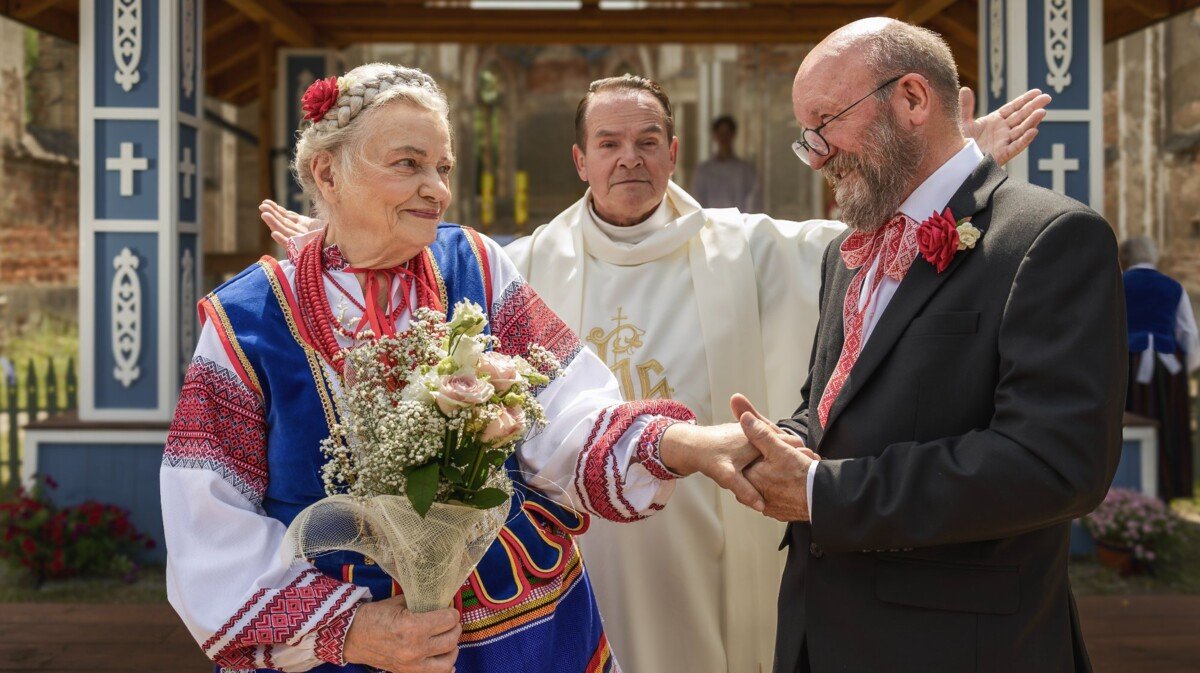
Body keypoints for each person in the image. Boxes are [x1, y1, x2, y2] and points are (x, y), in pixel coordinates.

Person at [261, 73, 1049, 673]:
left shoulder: (747, 246)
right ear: (580, 159)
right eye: (608, 142)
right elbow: (403, 268)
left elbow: (868, 240)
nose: (629, 158)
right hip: (580, 554)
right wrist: (337, 236)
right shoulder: (522, 261)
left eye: (647, 140)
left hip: (709, 529)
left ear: (675, 153)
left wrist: (943, 164)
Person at [163, 63, 763, 673]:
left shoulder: (476, 263)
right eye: (408, 164)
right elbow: (207, 516)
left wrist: (682, 443)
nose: (436, 190)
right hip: (339, 647)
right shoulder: (245, 321)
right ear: (327, 172)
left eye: (442, 168)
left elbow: (566, 410)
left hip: (517, 631)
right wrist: (354, 630)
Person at [732, 18, 1126, 673]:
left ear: (913, 100)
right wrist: (770, 446)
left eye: (826, 121)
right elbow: (831, 412)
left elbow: (1054, 463)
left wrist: (826, 494)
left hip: (960, 647)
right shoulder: (846, 253)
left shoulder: (1049, 238)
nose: (818, 153)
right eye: (808, 136)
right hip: (821, 631)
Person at [1120, 235, 1199, 501]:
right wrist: (1183, 371)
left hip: (1128, 364)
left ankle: (1130, 490)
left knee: (1129, 420)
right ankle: (1167, 490)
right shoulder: (1173, 287)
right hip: (1168, 368)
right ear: (1153, 257)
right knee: (1169, 423)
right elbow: (1188, 332)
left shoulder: (1117, 285)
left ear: (1124, 258)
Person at [691, 115, 761, 211]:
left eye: (727, 133)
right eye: (720, 133)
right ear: (715, 136)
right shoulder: (703, 171)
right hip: (711, 223)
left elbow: (753, 201)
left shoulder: (745, 170)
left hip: (739, 223)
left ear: (733, 135)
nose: (724, 137)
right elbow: (697, 199)